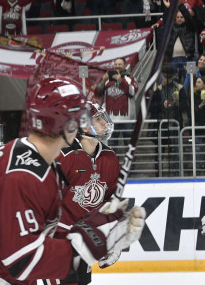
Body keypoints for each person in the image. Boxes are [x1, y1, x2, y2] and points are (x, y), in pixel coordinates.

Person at [0, 78, 146, 284]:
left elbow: (37, 238)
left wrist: (91, 238)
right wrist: (80, 248)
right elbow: (22, 259)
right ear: (69, 125)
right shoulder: (24, 173)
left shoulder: (37, 161)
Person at [55, 101, 120, 285]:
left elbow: (110, 202)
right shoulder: (63, 156)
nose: (105, 123)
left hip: (85, 243)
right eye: (99, 119)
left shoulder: (110, 158)